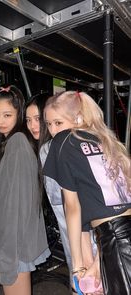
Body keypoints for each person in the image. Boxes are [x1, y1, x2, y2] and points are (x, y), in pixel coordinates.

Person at [43, 90, 131, 295]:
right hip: (116, 237)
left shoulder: (64, 141)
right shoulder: (105, 140)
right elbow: (103, 210)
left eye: (58, 122)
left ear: (78, 118)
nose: (53, 131)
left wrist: (77, 267)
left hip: (116, 241)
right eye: (49, 124)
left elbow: (72, 208)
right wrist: (95, 264)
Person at [0, 85, 50, 295]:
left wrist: (9, 253)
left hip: (14, 243)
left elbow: (15, 204)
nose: (0, 121)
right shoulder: (12, 142)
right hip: (16, 240)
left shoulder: (17, 142)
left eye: (7, 115)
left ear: (18, 114)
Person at [25, 92, 72, 275]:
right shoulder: (67, 142)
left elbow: (60, 202)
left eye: (38, 119)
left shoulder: (48, 149)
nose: (32, 126)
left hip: (76, 231)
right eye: (28, 120)